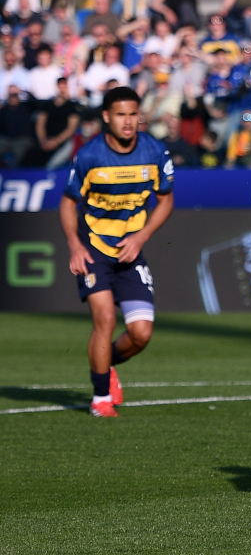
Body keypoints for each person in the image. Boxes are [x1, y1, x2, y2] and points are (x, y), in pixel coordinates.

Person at [59, 86, 175, 418]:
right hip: (94, 249)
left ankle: (105, 364)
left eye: (134, 114)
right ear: (107, 117)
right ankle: (99, 399)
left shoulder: (154, 152)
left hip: (130, 252)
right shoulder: (90, 156)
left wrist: (142, 236)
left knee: (141, 335)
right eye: (121, 115)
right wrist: (74, 245)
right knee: (106, 319)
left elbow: (166, 200)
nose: (128, 122)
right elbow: (68, 203)